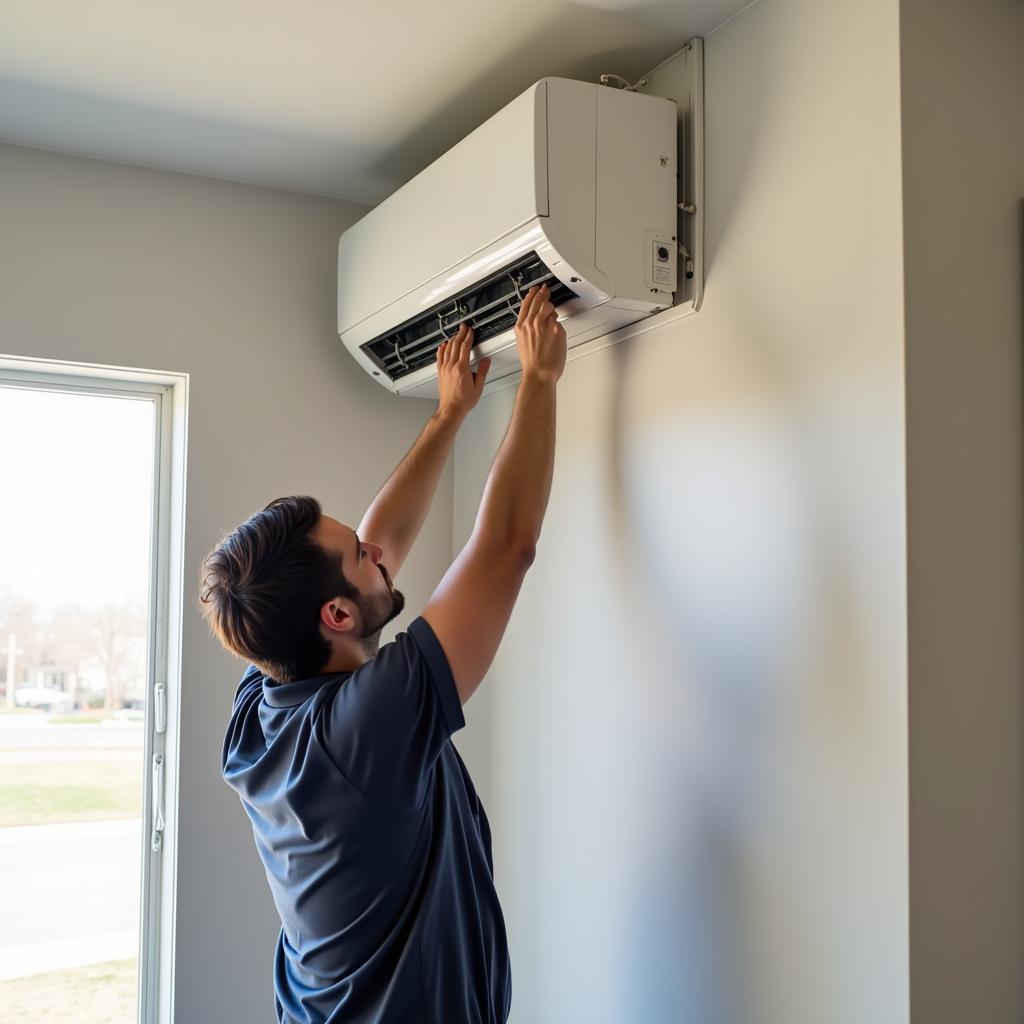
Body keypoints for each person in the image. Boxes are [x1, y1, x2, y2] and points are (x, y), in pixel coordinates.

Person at [199, 283, 567, 1024]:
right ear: (335, 615)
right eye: (358, 556)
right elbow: (506, 550)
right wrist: (539, 381)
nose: (377, 553)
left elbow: (382, 546)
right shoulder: (364, 730)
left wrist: (450, 415)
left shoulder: (265, 701)